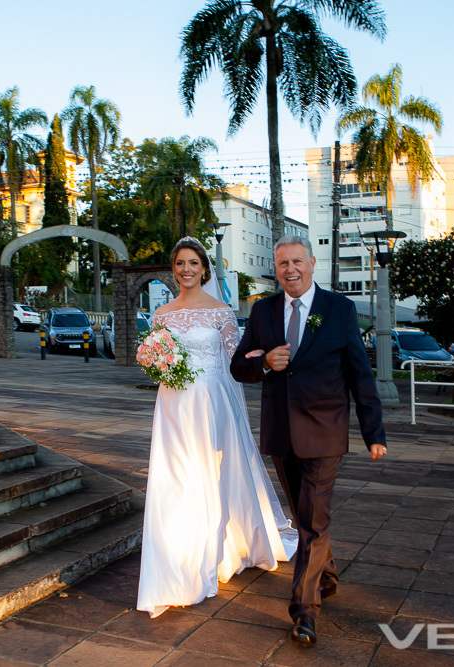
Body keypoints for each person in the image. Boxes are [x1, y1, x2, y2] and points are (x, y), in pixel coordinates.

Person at [230, 235, 387, 644]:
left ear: (313, 263)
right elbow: (237, 368)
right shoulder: (262, 311)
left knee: (313, 520)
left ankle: (304, 610)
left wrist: (374, 432)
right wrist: (264, 363)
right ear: (276, 269)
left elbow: (359, 374)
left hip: (325, 432)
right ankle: (328, 575)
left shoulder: (340, 309)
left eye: (297, 261)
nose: (290, 270)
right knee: (306, 520)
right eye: (282, 264)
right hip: (281, 433)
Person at [137, 237, 298, 618]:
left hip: (212, 403)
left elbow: (235, 358)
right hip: (173, 405)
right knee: (175, 480)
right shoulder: (161, 315)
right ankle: (177, 558)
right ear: (173, 269)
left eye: (193, 263)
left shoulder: (222, 312)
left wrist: (263, 357)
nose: (186, 270)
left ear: (204, 269)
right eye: (180, 264)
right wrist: (155, 363)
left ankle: (216, 550)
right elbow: (155, 354)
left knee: (210, 476)